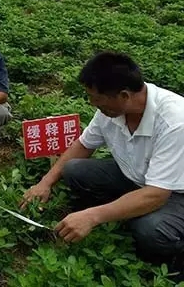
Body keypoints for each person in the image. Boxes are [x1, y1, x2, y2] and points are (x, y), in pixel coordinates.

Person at [20, 52, 184, 276]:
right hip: (138, 177)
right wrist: (45, 183)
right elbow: (83, 145)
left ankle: (172, 263)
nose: (92, 103)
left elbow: (156, 194)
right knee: (74, 169)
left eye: (95, 97)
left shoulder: (175, 122)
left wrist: (92, 216)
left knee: (150, 228)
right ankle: (122, 212)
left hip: (174, 192)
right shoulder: (110, 110)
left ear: (124, 95)